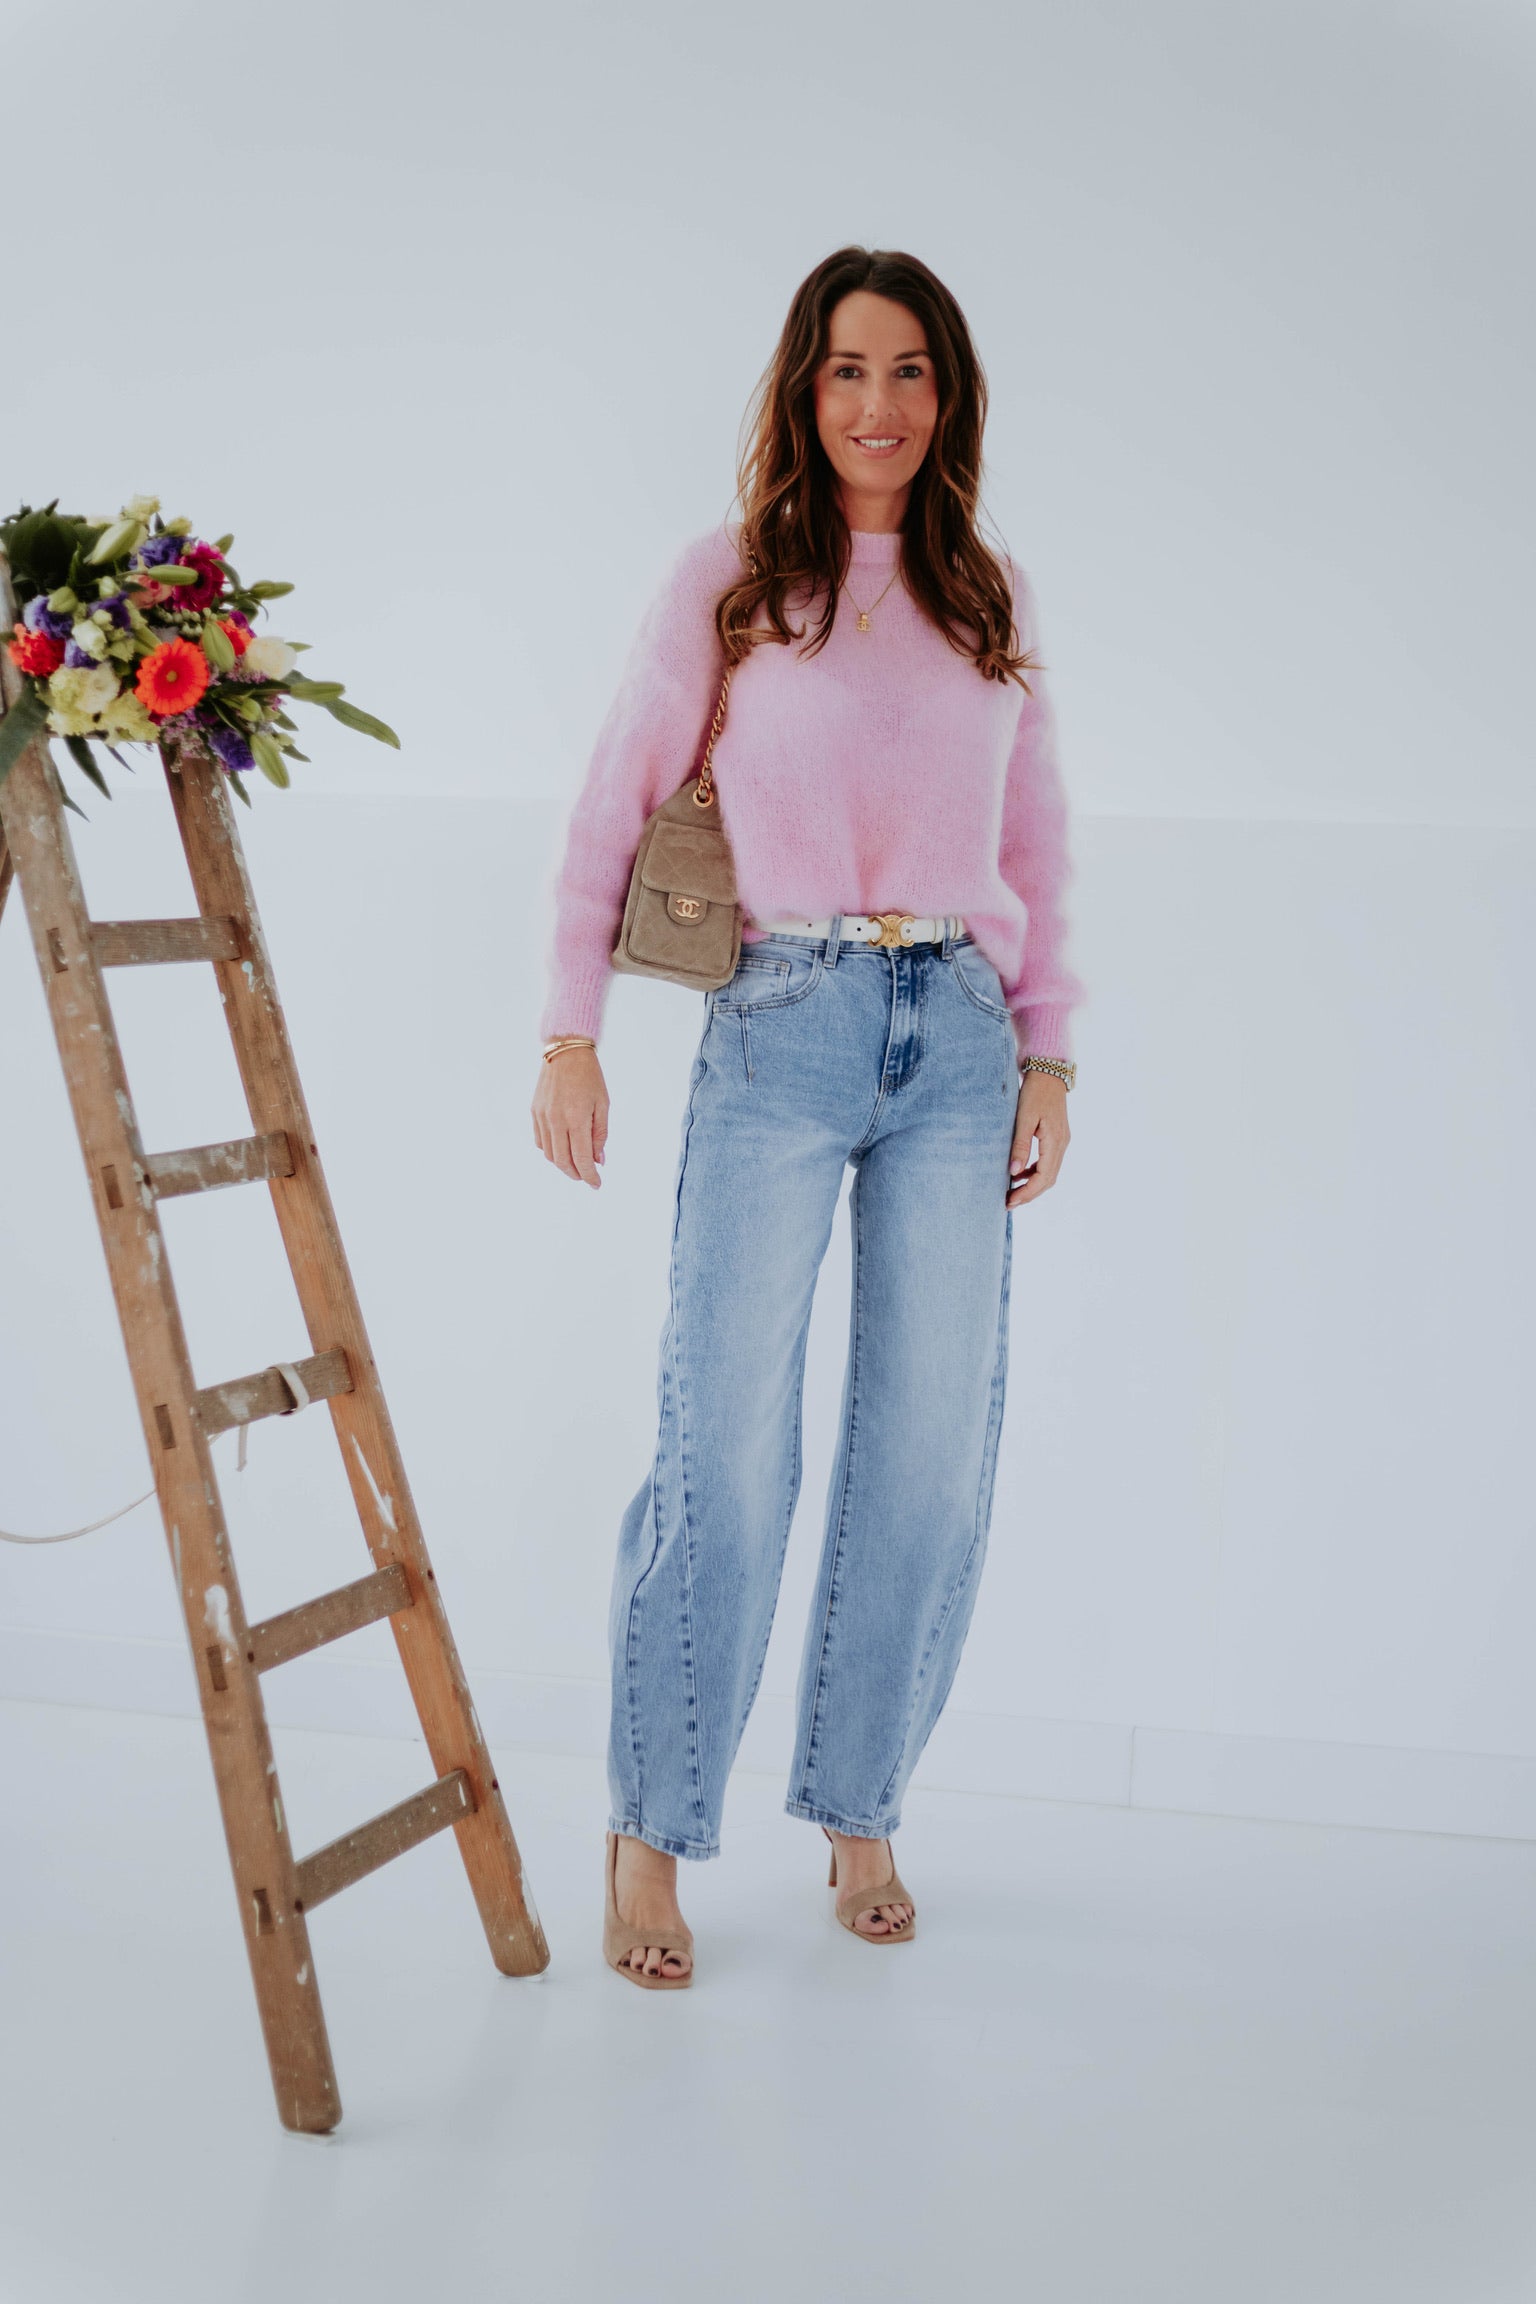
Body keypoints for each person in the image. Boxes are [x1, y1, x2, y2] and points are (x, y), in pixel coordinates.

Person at [532, 245, 1084, 1988]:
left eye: (911, 371)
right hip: (781, 1021)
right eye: (849, 369)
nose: (879, 404)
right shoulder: (731, 582)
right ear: (803, 386)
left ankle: (862, 1811)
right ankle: (650, 1833)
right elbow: (611, 801)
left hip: (962, 1039)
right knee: (726, 1445)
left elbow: (1039, 840)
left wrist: (1052, 1054)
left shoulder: (987, 593)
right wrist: (568, 1032)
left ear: (949, 396)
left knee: (929, 1449)